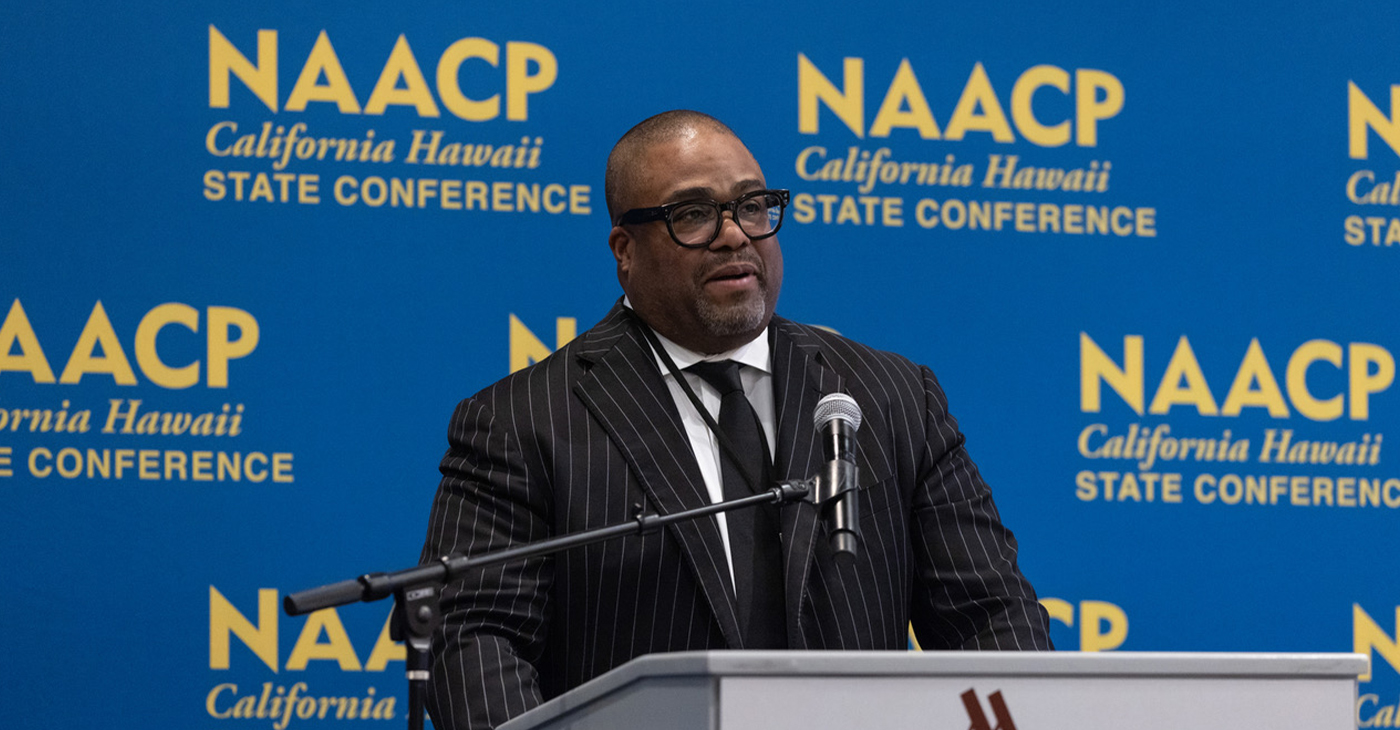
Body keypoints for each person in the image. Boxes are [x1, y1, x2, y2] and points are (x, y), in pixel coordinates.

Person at [419, 110, 1052, 730]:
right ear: (625, 249)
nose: (734, 234)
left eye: (753, 206)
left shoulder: (890, 397)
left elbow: (989, 617)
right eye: (693, 214)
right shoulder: (522, 422)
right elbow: (476, 643)